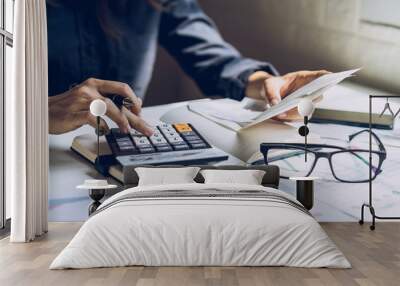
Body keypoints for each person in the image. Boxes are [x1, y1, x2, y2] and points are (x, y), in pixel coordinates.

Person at [47, 0, 328, 135]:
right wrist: (34, 112)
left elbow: (206, 49)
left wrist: (264, 82)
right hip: (28, 162)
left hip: (123, 151)